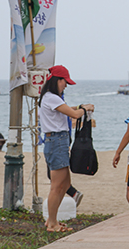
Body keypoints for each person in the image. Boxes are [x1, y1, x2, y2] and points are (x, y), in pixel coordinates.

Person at [38, 65, 93, 232]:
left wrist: (80, 107)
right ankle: (52, 222)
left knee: (65, 182)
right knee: (57, 185)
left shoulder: (50, 98)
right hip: (56, 141)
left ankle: (52, 220)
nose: (66, 85)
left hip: (58, 141)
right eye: (65, 82)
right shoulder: (51, 98)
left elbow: (69, 110)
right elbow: (74, 115)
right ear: (57, 80)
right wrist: (85, 109)